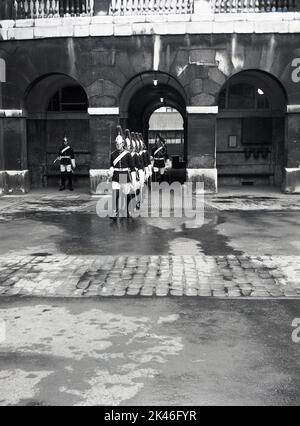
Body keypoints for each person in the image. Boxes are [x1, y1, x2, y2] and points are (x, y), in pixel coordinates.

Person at [108, 126, 136, 218]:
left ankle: (128, 210)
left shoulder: (127, 154)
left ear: (123, 144)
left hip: (124, 175)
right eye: (116, 144)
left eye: (119, 144)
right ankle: (115, 212)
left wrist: (134, 180)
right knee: (115, 194)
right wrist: (110, 170)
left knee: (126, 194)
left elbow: (132, 168)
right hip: (116, 176)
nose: (118, 146)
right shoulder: (113, 154)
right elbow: (111, 165)